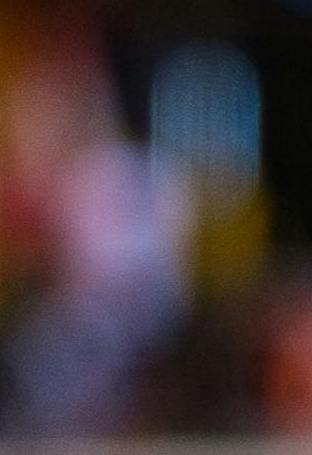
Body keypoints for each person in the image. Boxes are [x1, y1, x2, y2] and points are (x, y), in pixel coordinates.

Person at [13, 127, 188, 437]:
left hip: (140, 315)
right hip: (92, 315)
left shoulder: (154, 174)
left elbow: (163, 264)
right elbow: (71, 261)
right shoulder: (84, 177)